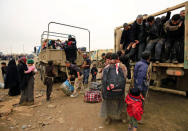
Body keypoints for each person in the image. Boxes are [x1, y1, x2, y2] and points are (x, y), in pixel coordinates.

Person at [101, 53, 127, 124]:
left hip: (109, 91)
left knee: (108, 104)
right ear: (118, 58)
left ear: (110, 58)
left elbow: (102, 78)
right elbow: (125, 77)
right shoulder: (122, 66)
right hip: (120, 90)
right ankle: (123, 118)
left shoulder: (106, 67)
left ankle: (108, 119)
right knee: (121, 103)